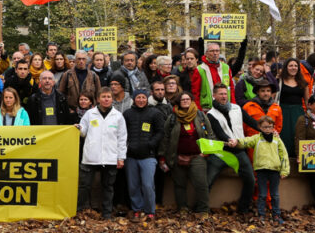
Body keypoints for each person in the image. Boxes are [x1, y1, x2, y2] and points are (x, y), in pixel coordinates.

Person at [205, 84, 257, 220]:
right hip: (221, 152)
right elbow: (219, 132)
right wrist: (229, 140)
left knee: (250, 180)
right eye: (220, 94)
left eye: (225, 93)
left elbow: (251, 121)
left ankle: (243, 209)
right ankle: (202, 209)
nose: (223, 96)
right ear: (214, 96)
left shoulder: (237, 108)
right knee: (208, 180)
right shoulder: (211, 114)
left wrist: (266, 129)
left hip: (239, 150)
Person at [162, 92, 215, 216]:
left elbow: (210, 134)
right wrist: (165, 156)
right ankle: (182, 208)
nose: (185, 101)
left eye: (188, 99)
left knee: (201, 184)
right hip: (178, 156)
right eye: (183, 99)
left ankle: (203, 210)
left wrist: (206, 152)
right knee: (179, 185)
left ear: (192, 101)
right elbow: (166, 138)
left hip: (197, 156)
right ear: (179, 102)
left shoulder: (200, 115)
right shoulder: (173, 118)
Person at [76, 87, 127, 217]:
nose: (106, 99)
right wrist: (78, 128)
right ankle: (79, 211)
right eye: (103, 97)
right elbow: (83, 132)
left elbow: (122, 138)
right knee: (84, 185)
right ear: (98, 99)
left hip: (110, 156)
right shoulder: (89, 114)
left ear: (112, 99)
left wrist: (121, 157)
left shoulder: (118, 116)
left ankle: (107, 213)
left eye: (108, 97)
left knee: (108, 187)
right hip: (91, 156)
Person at [231, 116, 290, 224]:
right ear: (260, 127)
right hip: (261, 170)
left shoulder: (277, 140)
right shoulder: (257, 138)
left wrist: (284, 170)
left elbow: (284, 155)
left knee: (275, 195)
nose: (268, 129)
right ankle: (261, 215)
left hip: (274, 170)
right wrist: (237, 141)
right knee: (262, 194)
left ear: (273, 127)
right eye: (265, 127)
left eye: (270, 127)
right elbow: (246, 141)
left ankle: (276, 215)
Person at [122, 88, 165, 222]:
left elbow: (160, 132)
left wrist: (150, 144)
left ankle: (150, 210)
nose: (141, 100)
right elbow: (122, 133)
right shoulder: (127, 113)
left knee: (147, 184)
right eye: (138, 97)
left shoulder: (155, 113)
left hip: (148, 156)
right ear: (134, 99)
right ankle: (137, 209)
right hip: (131, 156)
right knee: (133, 185)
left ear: (147, 98)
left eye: (143, 98)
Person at [277, 58, 310, 156]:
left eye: (295, 66)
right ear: (286, 67)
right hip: (283, 112)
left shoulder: (303, 83)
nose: (293, 68)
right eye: (291, 65)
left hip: (298, 112)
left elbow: (307, 100)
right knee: (284, 135)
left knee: (297, 134)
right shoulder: (279, 81)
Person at [196, 42, 233, 111]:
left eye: (217, 51)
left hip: (225, 107)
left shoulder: (226, 67)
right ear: (206, 53)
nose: (215, 53)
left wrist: (233, 105)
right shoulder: (200, 69)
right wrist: (199, 110)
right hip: (207, 109)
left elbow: (231, 88)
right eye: (212, 51)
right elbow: (196, 92)